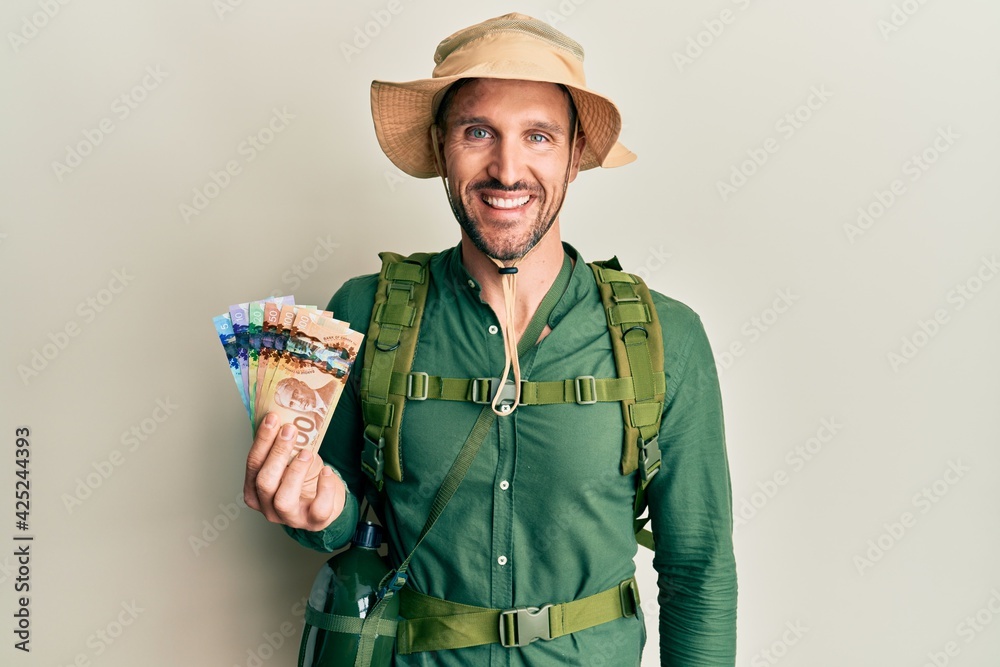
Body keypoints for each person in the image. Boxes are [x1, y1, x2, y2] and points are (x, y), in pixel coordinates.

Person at [243, 12, 736, 666]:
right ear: (441, 144)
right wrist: (318, 510)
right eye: (479, 132)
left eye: (537, 135)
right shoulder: (364, 311)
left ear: (575, 153)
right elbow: (332, 521)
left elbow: (698, 567)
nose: (508, 169)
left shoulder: (667, 335)